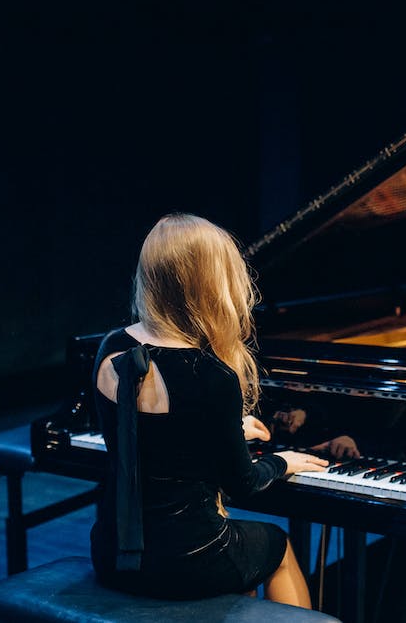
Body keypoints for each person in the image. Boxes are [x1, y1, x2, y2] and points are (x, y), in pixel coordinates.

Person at [89, 213, 329, 609]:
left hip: (112, 553)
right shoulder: (211, 375)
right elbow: (244, 485)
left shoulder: (111, 346)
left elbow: (154, 434)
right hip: (187, 561)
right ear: (210, 284)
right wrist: (283, 461)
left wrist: (226, 430)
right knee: (278, 547)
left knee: (240, 562)